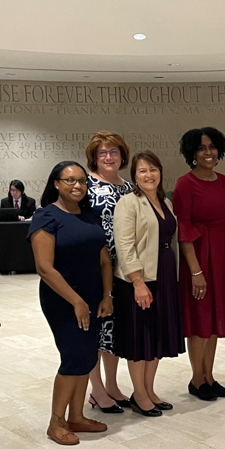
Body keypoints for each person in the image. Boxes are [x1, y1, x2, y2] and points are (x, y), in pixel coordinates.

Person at [29, 161, 111, 445]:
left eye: (82, 181)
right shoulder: (46, 217)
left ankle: (77, 416)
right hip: (63, 299)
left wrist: (107, 295)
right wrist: (76, 301)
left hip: (92, 298)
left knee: (88, 357)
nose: (77, 186)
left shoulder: (90, 215)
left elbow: (104, 260)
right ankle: (56, 422)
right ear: (56, 183)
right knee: (74, 357)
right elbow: (45, 268)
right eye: (70, 180)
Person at [112, 152, 184, 417]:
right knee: (140, 338)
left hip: (164, 272)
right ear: (134, 176)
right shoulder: (129, 203)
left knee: (158, 336)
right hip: (140, 278)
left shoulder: (165, 201)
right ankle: (138, 393)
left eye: (153, 169)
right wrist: (137, 282)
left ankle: (149, 389)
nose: (149, 175)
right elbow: (125, 245)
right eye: (142, 171)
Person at [175, 127, 225, 401]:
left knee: (215, 320)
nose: (208, 153)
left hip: (223, 253)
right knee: (200, 319)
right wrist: (195, 271)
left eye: (212, 147)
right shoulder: (185, 183)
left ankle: (210, 376)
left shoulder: (224, 180)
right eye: (201, 148)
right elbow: (183, 228)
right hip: (199, 255)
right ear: (192, 153)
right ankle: (196, 378)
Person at [84, 131, 134, 414]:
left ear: (122, 155)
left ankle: (113, 385)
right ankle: (97, 389)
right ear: (94, 156)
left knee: (113, 331)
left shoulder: (128, 187)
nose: (108, 157)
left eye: (113, 151)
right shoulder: (87, 184)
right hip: (94, 267)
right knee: (95, 328)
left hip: (123, 269)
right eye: (102, 152)